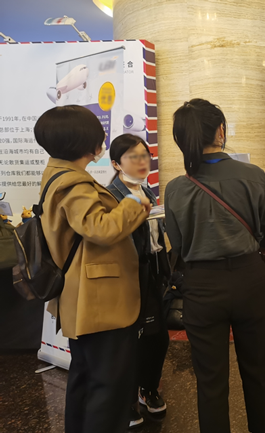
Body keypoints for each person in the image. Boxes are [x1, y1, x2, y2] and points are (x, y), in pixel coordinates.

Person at [164, 99, 265, 433]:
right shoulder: (252, 175)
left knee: (210, 380)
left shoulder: (175, 189)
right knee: (258, 372)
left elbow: (178, 244)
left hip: (201, 286)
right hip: (249, 280)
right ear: (221, 130)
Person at [34, 106, 151, 433]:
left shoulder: (57, 174)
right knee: (108, 388)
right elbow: (100, 229)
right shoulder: (74, 183)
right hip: (99, 302)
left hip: (85, 300)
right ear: (83, 141)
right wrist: (133, 202)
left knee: (86, 381)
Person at [107, 134, 171, 428]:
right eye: (133, 156)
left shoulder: (148, 191)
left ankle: (149, 389)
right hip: (130, 273)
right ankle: (126, 399)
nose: (142, 161)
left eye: (145, 155)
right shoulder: (111, 196)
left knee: (158, 336)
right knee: (130, 339)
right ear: (116, 164)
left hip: (154, 269)